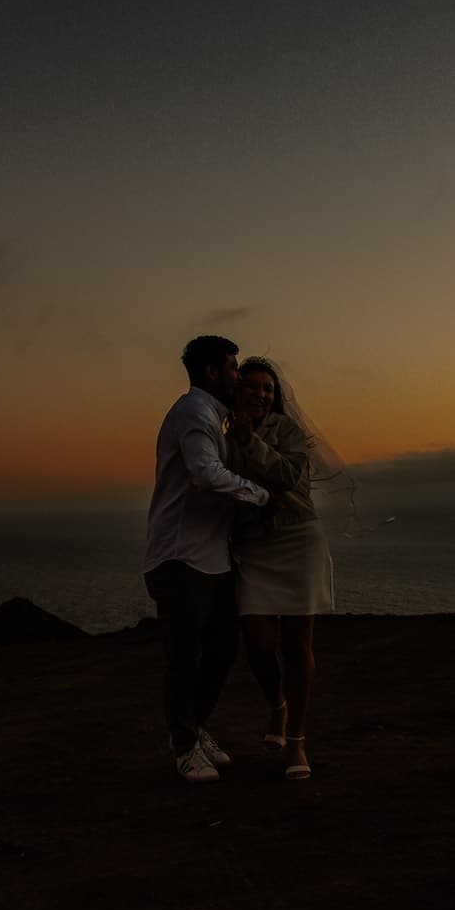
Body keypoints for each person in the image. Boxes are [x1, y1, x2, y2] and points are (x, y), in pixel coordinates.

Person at [144, 336, 271, 784]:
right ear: (213, 372)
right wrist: (259, 494)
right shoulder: (193, 413)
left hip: (211, 558)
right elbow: (203, 472)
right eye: (233, 368)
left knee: (221, 649)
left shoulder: (213, 418)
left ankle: (194, 730)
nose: (238, 376)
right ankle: (183, 746)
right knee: (184, 656)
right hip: (180, 557)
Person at [228, 357, 334, 780]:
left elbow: (288, 476)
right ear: (238, 391)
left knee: (296, 642)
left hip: (296, 539)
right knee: (256, 640)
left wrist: (250, 443)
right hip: (254, 544)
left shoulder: (289, 432)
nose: (260, 394)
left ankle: (296, 740)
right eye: (252, 386)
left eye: (268, 388)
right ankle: (277, 704)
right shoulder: (223, 432)